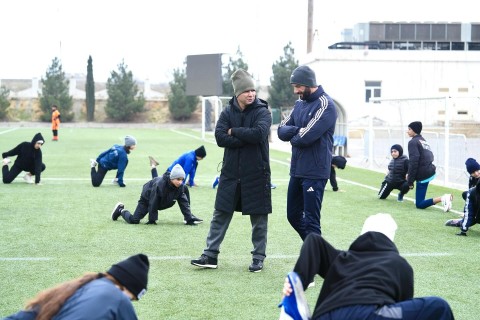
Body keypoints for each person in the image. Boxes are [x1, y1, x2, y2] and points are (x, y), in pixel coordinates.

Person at [278, 213, 455, 320]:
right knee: (439, 307)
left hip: (325, 315)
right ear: (390, 239)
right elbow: (401, 305)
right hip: (369, 314)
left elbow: (313, 241)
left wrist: (298, 279)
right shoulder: (401, 265)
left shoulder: (343, 258)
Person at [191, 69, 272, 272]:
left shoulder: (262, 111)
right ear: (238, 93)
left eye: (253, 90)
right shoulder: (228, 112)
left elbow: (259, 134)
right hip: (230, 174)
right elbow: (220, 138)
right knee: (220, 215)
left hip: (256, 174)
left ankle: (258, 258)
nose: (251, 94)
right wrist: (244, 138)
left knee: (259, 219)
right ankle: (210, 255)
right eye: (247, 91)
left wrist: (234, 132)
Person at [277, 65, 337, 240]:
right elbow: (281, 130)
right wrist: (298, 131)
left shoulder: (326, 105)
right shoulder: (299, 104)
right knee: (293, 215)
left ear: (309, 84)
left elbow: (305, 138)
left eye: (298, 86)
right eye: (294, 87)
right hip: (297, 170)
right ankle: (318, 251)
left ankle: (316, 258)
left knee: (311, 221)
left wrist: (295, 134)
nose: (296, 91)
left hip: (315, 172)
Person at [4, 253, 150, 320]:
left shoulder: (77, 289)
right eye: (132, 299)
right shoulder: (118, 299)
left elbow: (26, 316)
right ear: (125, 287)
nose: (129, 302)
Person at [111, 164, 203, 225]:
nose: (180, 182)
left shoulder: (180, 187)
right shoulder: (160, 185)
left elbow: (184, 203)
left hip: (160, 202)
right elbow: (153, 201)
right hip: (147, 198)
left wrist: (189, 219)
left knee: (183, 196)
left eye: (182, 179)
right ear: (172, 178)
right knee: (134, 221)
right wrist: (152, 219)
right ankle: (120, 210)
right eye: (178, 179)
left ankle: (189, 217)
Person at [406, 121, 452, 211]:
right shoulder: (423, 140)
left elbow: (413, 162)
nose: (407, 131)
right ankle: (446, 200)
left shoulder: (412, 142)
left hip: (423, 174)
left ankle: (443, 198)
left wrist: (410, 181)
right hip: (429, 171)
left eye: (409, 129)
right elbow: (430, 156)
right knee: (419, 199)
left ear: (414, 130)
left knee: (419, 204)